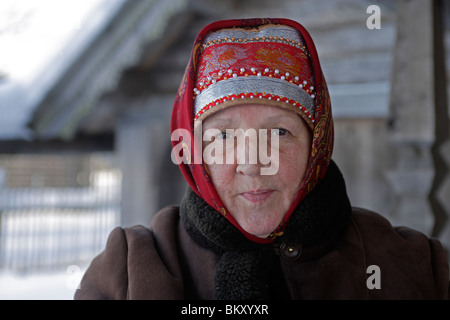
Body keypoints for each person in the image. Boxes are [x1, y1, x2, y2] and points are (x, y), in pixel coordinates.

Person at [75, 18, 449, 300]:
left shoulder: (415, 269)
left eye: (278, 133)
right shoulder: (127, 274)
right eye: (223, 136)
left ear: (316, 143)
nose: (252, 162)